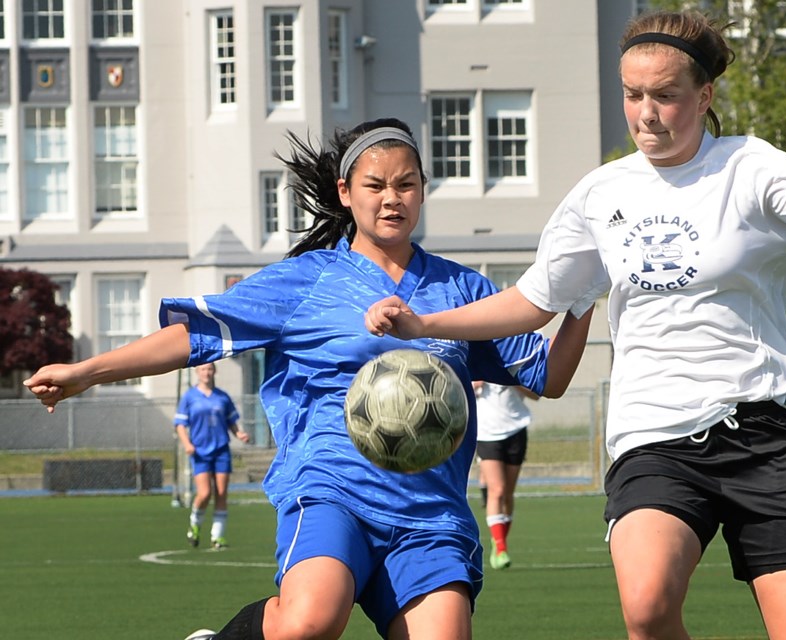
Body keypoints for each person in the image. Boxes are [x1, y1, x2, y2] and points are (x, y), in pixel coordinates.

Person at [365, 11, 786, 640]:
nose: (646, 111)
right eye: (632, 94)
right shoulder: (601, 194)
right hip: (653, 435)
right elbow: (534, 301)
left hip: (764, 427)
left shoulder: (750, 168)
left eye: (666, 95)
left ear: (703, 97)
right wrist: (425, 322)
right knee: (646, 608)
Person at [24, 117, 593, 640]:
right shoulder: (304, 282)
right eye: (376, 185)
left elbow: (550, 374)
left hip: (428, 512)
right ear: (346, 194)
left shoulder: (463, 291)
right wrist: (88, 371)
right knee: (308, 624)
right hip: (331, 491)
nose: (392, 198)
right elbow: (194, 337)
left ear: (422, 189)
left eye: (406, 184)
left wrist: (586, 294)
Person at [174, 362, 249, 550]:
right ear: (197, 372)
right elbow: (180, 425)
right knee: (205, 493)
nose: (206, 373)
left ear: (214, 371)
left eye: (209, 369)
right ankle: (194, 524)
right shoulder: (189, 397)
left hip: (221, 449)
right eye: (202, 369)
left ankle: (217, 537)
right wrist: (187, 444)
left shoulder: (222, 397)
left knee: (221, 493)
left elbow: (232, 421)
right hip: (200, 451)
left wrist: (239, 434)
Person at [472, 381, 538, 570]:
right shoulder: (476, 361)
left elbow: (536, 394)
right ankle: (500, 548)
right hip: (486, 434)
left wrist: (513, 381)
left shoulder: (514, 363)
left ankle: (498, 540)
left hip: (516, 429)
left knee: (508, 494)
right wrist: (475, 384)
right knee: (497, 490)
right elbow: (457, 391)